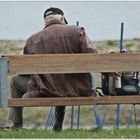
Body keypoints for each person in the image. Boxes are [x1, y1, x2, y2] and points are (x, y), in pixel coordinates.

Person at [7, 7, 98, 131]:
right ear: (62, 18)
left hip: (45, 91)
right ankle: (58, 126)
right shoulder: (77, 32)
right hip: (77, 89)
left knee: (15, 81)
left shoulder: (31, 40)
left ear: (45, 22)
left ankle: (17, 125)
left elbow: (25, 71)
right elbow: (94, 59)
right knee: (61, 81)